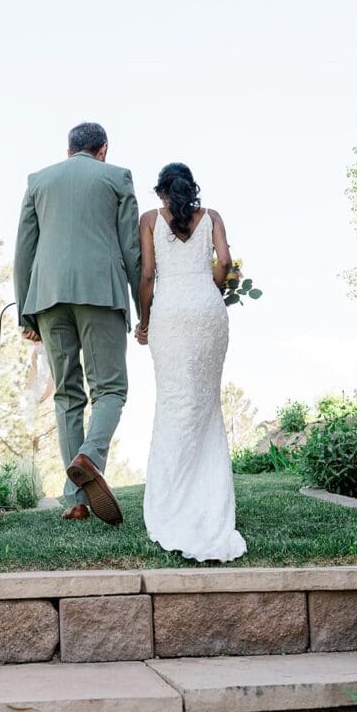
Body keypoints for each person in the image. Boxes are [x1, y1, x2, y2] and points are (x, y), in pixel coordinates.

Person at [13, 122, 140, 524]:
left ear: (68, 152)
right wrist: (143, 307)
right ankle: (91, 455)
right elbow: (131, 249)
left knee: (67, 394)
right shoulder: (117, 177)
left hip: (48, 297)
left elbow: (23, 251)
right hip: (100, 292)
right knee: (111, 390)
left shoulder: (38, 181)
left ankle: (77, 498)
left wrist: (26, 313)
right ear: (103, 149)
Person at [136, 162, 247, 562]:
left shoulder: (149, 219)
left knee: (174, 403)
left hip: (169, 313)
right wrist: (209, 288)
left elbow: (148, 275)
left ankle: (172, 504)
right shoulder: (212, 216)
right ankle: (208, 503)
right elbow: (226, 264)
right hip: (207, 310)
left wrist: (144, 322)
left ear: (162, 191)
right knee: (204, 404)